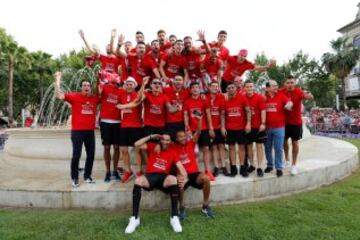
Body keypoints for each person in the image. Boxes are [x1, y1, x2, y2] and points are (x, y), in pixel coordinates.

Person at [124, 133, 187, 234]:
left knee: (173, 179)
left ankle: (174, 217)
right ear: (160, 140)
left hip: (164, 178)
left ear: (170, 142)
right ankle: (135, 218)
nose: (165, 142)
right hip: (151, 176)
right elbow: (136, 144)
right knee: (138, 180)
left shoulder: (173, 152)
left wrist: (184, 179)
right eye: (163, 139)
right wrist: (151, 137)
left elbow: (182, 168)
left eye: (167, 140)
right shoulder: (153, 147)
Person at [54, 72, 99, 187]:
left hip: (90, 132)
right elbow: (58, 95)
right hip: (77, 131)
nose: (86, 87)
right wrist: (57, 80)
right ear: (81, 87)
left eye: (88, 85)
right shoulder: (74, 97)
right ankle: (74, 178)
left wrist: (100, 77)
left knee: (91, 155)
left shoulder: (95, 99)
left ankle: (87, 176)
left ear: (90, 88)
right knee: (76, 156)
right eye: (84, 85)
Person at [173, 112, 214, 220]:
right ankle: (181, 207)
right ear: (176, 139)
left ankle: (205, 205)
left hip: (194, 174)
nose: (183, 138)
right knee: (180, 183)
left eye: (184, 136)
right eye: (180, 137)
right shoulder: (173, 148)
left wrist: (199, 119)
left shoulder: (190, 143)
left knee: (206, 178)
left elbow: (199, 132)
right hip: (182, 174)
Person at [280, 76, 313, 175]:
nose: (290, 84)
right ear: (284, 84)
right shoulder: (281, 91)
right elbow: (271, 92)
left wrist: (309, 94)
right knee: (284, 142)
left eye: (292, 82)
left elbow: (309, 97)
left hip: (296, 123)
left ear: (295, 83)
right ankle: (287, 160)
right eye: (288, 82)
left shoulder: (299, 92)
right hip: (284, 122)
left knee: (295, 143)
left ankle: (294, 165)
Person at [184, 82, 216, 181]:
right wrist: (187, 127)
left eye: (197, 87)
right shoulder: (187, 102)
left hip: (204, 129)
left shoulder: (204, 100)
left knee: (206, 149)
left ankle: (207, 171)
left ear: (199, 89)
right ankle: (195, 172)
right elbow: (185, 115)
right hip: (193, 130)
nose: (195, 89)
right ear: (190, 90)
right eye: (193, 87)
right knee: (194, 152)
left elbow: (208, 115)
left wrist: (210, 128)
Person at [221, 82, 251, 177]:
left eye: (232, 87)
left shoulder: (242, 98)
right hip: (230, 128)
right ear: (226, 90)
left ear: (236, 88)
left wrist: (248, 123)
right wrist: (222, 127)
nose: (231, 89)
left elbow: (248, 111)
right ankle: (233, 169)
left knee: (242, 148)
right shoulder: (224, 100)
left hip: (241, 128)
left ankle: (242, 168)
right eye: (229, 88)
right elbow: (222, 115)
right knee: (231, 148)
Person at [264, 80, 293, 177]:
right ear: (268, 88)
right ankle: (269, 165)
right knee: (267, 148)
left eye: (276, 85)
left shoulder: (280, 95)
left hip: (279, 127)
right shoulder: (264, 97)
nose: (276, 87)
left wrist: (288, 105)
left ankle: (279, 168)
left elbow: (289, 102)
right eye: (274, 86)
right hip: (267, 128)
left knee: (278, 148)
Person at [98, 74, 123, 182]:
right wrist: (97, 78)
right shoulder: (105, 87)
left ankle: (115, 170)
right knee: (107, 147)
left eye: (116, 82)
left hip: (117, 122)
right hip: (105, 121)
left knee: (117, 147)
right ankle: (108, 171)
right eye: (113, 82)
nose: (115, 84)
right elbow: (97, 92)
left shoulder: (121, 91)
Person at [243, 80, 267, 177]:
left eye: (251, 86)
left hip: (258, 127)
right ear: (244, 88)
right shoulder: (242, 98)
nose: (249, 88)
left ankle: (260, 167)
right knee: (248, 147)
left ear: (253, 87)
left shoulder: (259, 97)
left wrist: (263, 123)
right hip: (247, 127)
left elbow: (263, 111)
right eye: (247, 86)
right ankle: (252, 164)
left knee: (259, 147)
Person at [207, 81, 228, 176]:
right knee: (214, 147)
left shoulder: (221, 97)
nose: (215, 88)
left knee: (221, 146)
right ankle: (216, 167)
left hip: (219, 126)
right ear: (209, 87)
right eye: (213, 86)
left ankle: (223, 166)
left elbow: (223, 113)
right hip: (209, 127)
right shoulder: (205, 97)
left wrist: (223, 127)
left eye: (216, 86)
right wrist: (209, 128)